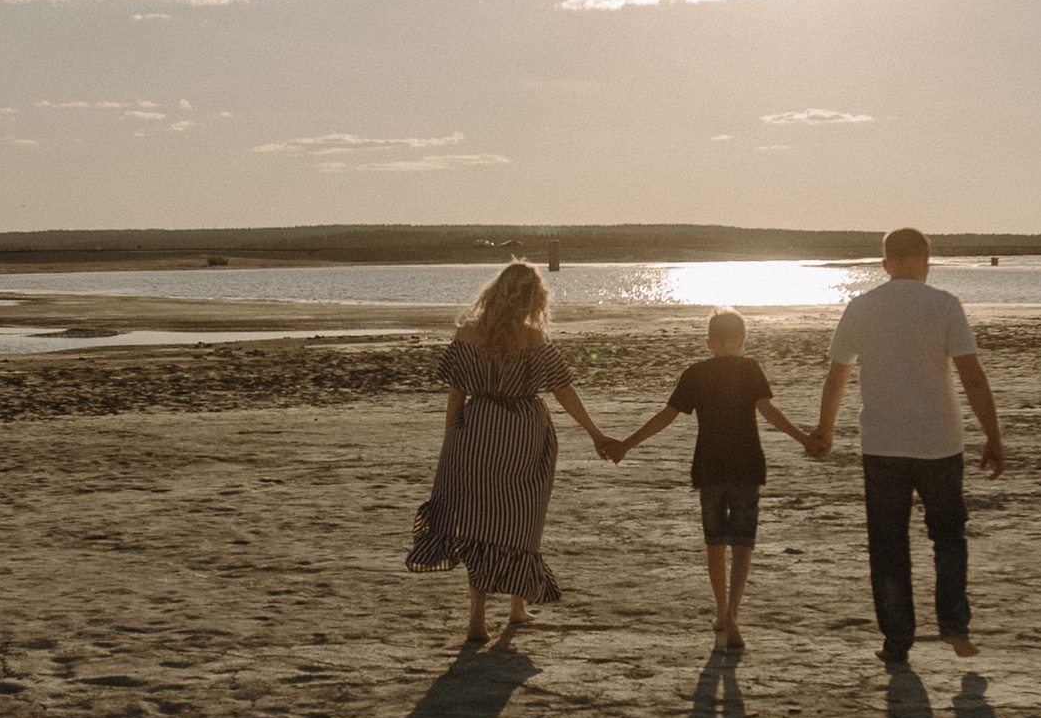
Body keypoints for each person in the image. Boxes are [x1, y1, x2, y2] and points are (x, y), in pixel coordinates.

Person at [808, 228, 1006, 665]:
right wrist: (992, 434)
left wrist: (826, 427)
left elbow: (836, 375)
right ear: (925, 259)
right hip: (939, 442)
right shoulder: (944, 305)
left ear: (886, 264)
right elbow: (972, 376)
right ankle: (954, 626)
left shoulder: (862, 308)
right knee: (948, 538)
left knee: (888, 545)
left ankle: (897, 640)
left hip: (883, 445)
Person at [408, 261, 619, 643]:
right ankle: (516, 607)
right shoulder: (533, 339)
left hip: (476, 431)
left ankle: (477, 616)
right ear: (535, 299)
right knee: (520, 519)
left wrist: (448, 448)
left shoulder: (468, 333)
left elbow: (456, 395)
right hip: (524, 433)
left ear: (496, 292)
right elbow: (563, 389)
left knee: (477, 524)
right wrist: (594, 432)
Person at [607, 310, 814, 651]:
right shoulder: (750, 369)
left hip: (709, 469)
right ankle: (733, 610)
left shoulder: (695, 373)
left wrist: (626, 445)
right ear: (742, 342)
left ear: (709, 343)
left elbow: (667, 416)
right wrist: (804, 438)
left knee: (714, 543)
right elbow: (769, 412)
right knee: (743, 543)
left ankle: (721, 611)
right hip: (747, 467)